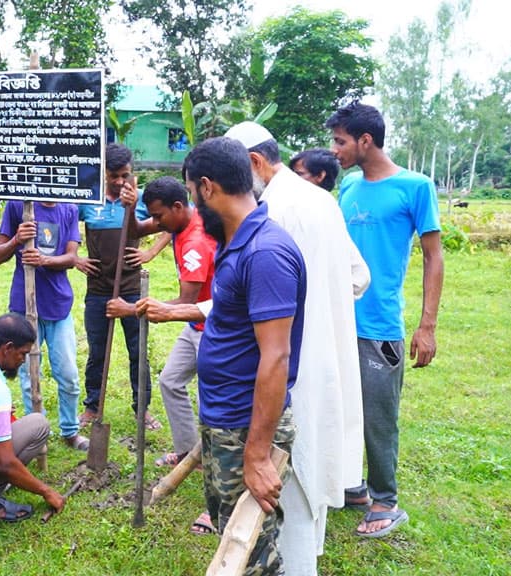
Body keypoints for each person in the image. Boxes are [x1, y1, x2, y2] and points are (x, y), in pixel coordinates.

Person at [225, 121, 370, 574]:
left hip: (290, 363)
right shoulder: (321, 199)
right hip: (324, 358)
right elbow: (357, 276)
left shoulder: (276, 211)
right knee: (308, 478)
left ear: (253, 163)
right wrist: (326, 309)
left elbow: (268, 302)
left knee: (290, 480)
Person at [184, 137, 306, 575]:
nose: (196, 209)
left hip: (244, 426)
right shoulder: (238, 245)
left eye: (193, 197)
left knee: (252, 553)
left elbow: (276, 358)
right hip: (225, 420)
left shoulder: (265, 252)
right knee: (230, 534)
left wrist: (256, 455)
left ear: (206, 188)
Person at [326, 102, 444, 538]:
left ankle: (385, 500)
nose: (334, 150)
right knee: (341, 409)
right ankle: (354, 487)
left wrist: (426, 325)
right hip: (339, 318)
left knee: (379, 415)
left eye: (340, 141)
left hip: (380, 324)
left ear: (365, 140)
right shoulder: (350, 186)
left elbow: (434, 257)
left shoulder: (415, 186)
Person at [108, 176, 215, 467]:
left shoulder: (196, 242)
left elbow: (186, 303)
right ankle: (188, 452)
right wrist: (130, 209)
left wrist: (131, 309)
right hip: (194, 326)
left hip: (212, 329)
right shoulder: (179, 221)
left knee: (212, 400)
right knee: (170, 381)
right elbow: (138, 230)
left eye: (158, 216)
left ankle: (216, 460)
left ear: (178, 206)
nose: (156, 222)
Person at [75, 142, 160, 431]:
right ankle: (92, 406)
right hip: (98, 289)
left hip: (132, 288)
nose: (121, 181)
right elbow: (59, 223)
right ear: (103, 173)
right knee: (97, 350)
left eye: (125, 175)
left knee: (138, 351)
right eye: (115, 175)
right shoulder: (88, 199)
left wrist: (150, 252)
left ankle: (143, 409)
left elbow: (178, 220)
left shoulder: (142, 199)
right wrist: (74, 258)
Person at [0, 200, 86, 450]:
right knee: (27, 376)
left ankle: (70, 430)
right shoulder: (17, 205)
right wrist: (16, 240)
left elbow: (71, 257)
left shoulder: (68, 208)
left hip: (58, 305)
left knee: (68, 375)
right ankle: (37, 434)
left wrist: (44, 260)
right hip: (24, 304)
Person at [0, 313, 66, 522]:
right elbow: (5, 463)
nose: (23, 361)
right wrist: (46, 491)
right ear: (7, 348)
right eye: (22, 354)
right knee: (38, 425)